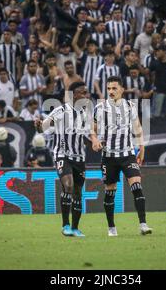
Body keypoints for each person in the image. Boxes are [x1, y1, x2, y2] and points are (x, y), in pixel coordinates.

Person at [91, 76, 152, 237]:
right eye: (109, 88)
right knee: (110, 191)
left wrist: (142, 147)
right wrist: (95, 139)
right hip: (108, 156)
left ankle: (143, 224)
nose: (111, 91)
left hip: (127, 155)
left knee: (137, 186)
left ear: (122, 90)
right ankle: (111, 227)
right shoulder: (100, 107)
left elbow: (138, 127)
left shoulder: (130, 106)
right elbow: (93, 128)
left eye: (114, 88)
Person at [41, 81, 90, 237]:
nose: (86, 95)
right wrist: (38, 125)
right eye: (82, 93)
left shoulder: (86, 113)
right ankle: (65, 225)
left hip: (79, 158)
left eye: (86, 92)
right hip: (62, 154)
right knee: (68, 185)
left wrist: (96, 142)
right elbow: (43, 127)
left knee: (77, 192)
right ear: (74, 95)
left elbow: (89, 136)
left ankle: (75, 228)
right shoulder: (60, 111)